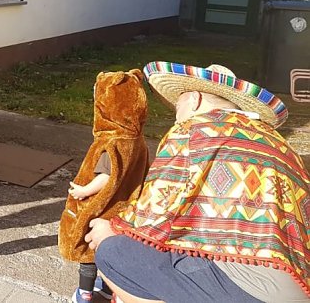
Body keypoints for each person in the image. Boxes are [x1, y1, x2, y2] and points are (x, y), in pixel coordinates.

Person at [85, 62, 310, 303]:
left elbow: (153, 214)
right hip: (297, 285)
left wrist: (110, 228)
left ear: (194, 100)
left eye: (178, 104)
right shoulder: (278, 144)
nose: (176, 113)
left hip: (245, 287)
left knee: (113, 251)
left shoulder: (193, 130)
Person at [58, 70, 150, 303]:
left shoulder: (112, 142)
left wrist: (83, 191)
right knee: (114, 255)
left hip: (102, 208)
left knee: (88, 254)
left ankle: (84, 294)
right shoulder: (136, 140)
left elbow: (106, 177)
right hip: (124, 207)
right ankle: (111, 291)